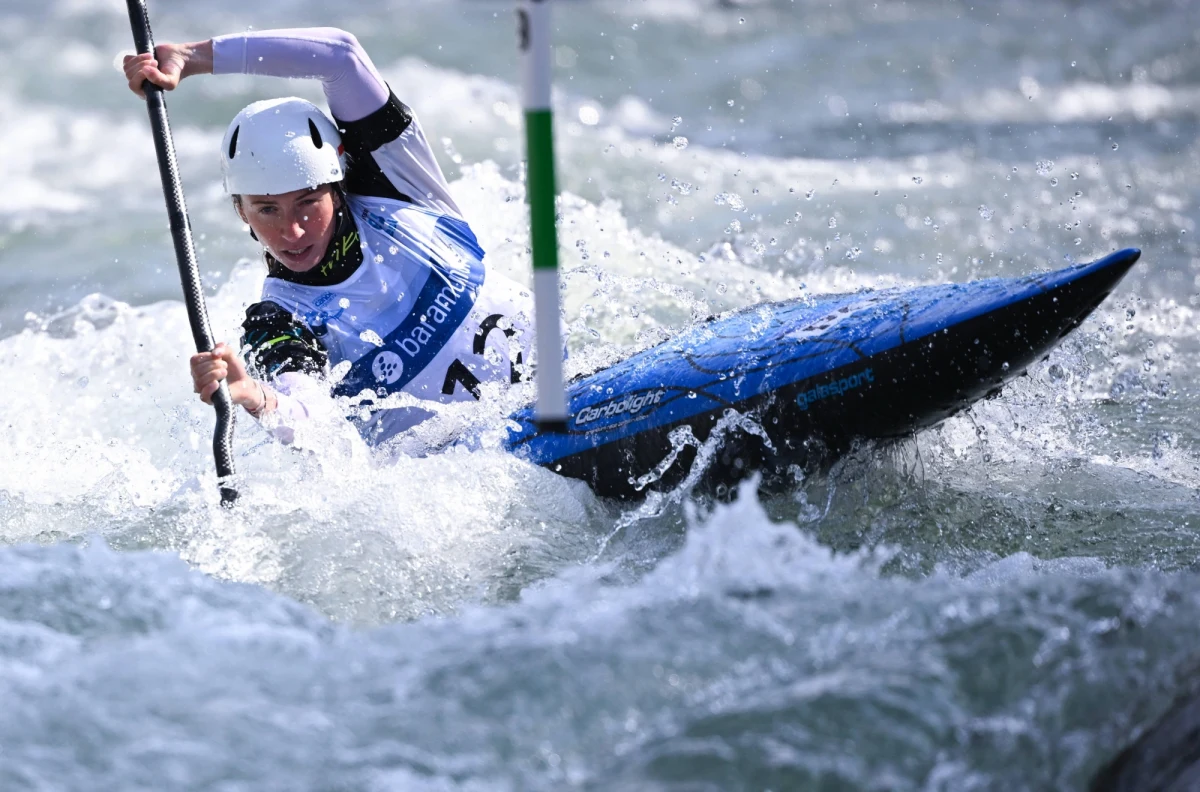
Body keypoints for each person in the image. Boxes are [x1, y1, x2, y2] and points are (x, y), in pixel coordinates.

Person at [123, 28, 535, 446]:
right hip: (472, 469)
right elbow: (312, 421)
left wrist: (192, 57)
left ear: (336, 189)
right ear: (240, 211)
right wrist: (254, 396)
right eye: (267, 210)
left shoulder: (397, 182)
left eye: (307, 202)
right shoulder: (279, 319)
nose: (292, 230)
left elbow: (340, 56)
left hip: (559, 391)